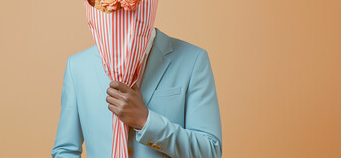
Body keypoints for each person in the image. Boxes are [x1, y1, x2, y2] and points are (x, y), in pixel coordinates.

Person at [51, 27, 222, 158]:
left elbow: (210, 150)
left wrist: (145, 121)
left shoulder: (193, 59)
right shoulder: (78, 66)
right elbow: (65, 150)